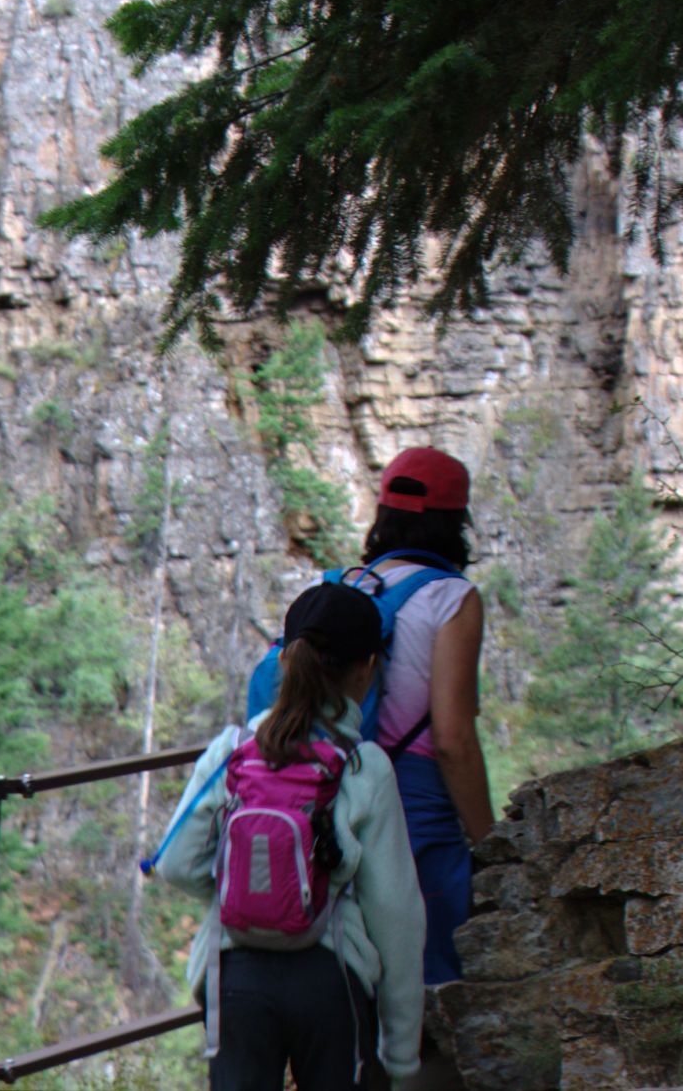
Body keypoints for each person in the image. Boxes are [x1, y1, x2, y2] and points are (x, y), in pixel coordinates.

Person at [153, 583, 426, 1091]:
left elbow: (173, 863)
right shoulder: (365, 768)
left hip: (236, 981)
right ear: (367, 667)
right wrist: (402, 1058)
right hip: (332, 982)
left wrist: (251, 892)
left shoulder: (231, 751)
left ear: (283, 660)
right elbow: (397, 919)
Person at [350, 448, 493, 987]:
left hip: (340, 795)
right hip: (416, 809)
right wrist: (490, 845)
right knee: (433, 980)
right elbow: (452, 739)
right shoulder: (451, 598)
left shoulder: (347, 587)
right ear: (456, 522)